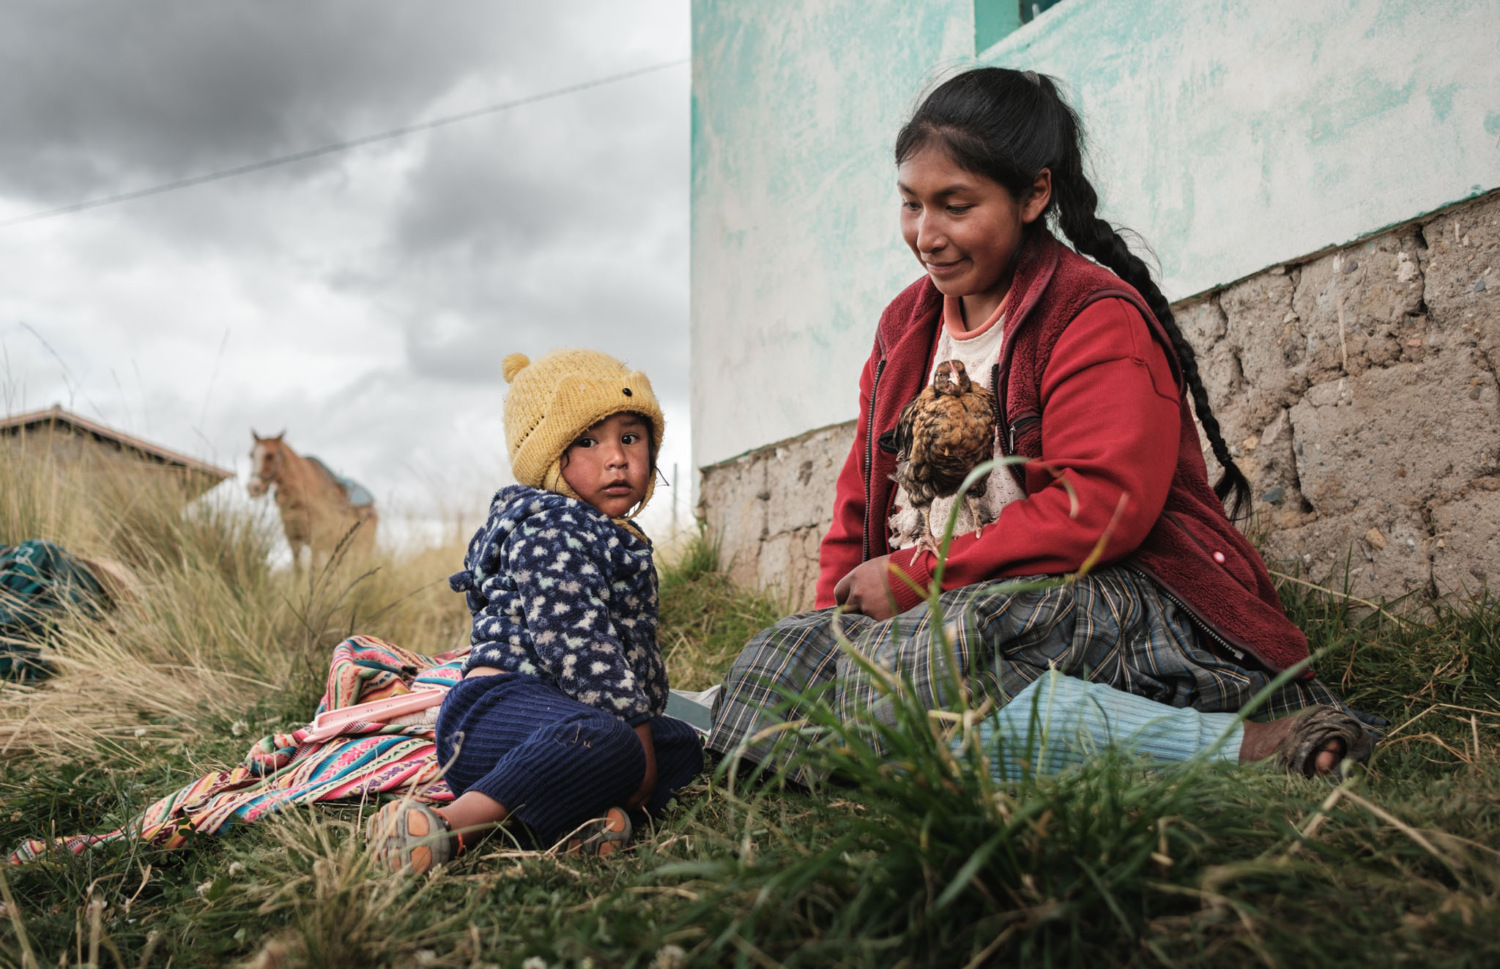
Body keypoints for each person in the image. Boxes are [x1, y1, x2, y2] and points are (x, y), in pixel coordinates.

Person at [708, 68, 1373, 785]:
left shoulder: (1091, 316)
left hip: (1106, 597)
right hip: (949, 610)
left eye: (956, 206)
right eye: (911, 204)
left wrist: (918, 579)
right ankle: (937, 749)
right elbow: (860, 496)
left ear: (1033, 195)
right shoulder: (904, 328)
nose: (927, 235)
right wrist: (831, 629)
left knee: (931, 653)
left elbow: (1101, 507)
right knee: (776, 661)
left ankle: (1243, 745)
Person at [368, 349, 703, 873]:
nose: (616, 458)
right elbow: (582, 649)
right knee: (615, 741)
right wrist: (635, 736)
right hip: (494, 715)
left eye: (630, 437)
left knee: (681, 744)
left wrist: (645, 730)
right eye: (587, 442)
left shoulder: (613, 535)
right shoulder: (551, 531)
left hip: (562, 720)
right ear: (547, 458)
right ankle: (450, 827)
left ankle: (574, 823)